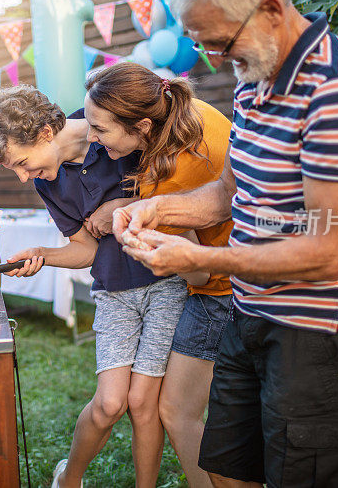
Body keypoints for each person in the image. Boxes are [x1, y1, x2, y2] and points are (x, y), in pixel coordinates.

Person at [112, 0, 338, 486]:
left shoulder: (337, 91)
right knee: (227, 470)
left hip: (317, 330)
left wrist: (199, 258)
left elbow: (326, 251)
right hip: (250, 313)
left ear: (270, 10)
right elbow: (225, 196)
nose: (212, 57)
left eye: (218, 41)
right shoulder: (253, 77)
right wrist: (155, 208)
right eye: (201, 43)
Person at [0, 85, 188, 488]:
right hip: (113, 291)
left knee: (143, 403)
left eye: (22, 163)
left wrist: (121, 207)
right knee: (109, 403)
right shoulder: (47, 181)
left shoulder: (110, 127)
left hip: (165, 283)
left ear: (42, 133)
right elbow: (85, 250)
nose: (22, 177)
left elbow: (174, 191)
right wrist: (42, 255)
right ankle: (69, 478)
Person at [83, 61, 234, 488]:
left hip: (220, 292)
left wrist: (152, 249)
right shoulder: (193, 111)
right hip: (250, 274)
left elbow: (201, 273)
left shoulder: (161, 180)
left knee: (177, 410)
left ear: (144, 125)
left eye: (100, 129)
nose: (92, 138)